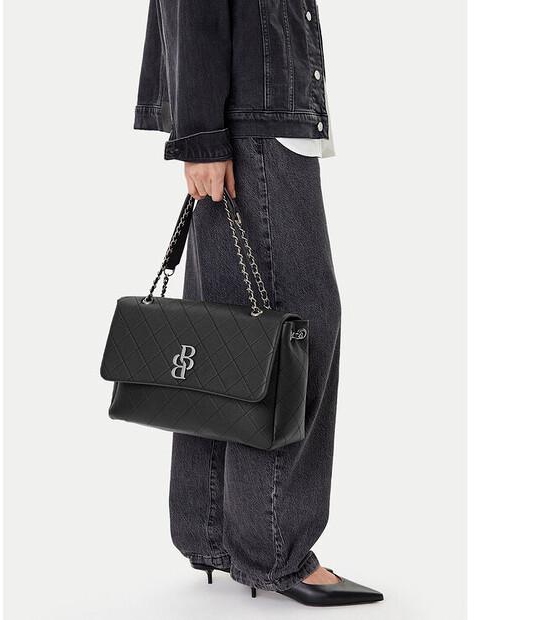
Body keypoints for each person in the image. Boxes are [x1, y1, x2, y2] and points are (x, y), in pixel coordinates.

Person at [133, 0, 383, 607]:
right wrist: (200, 139)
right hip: (255, 128)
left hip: (252, 120)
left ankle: (216, 534)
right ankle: (274, 549)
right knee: (294, 334)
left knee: (225, 335)